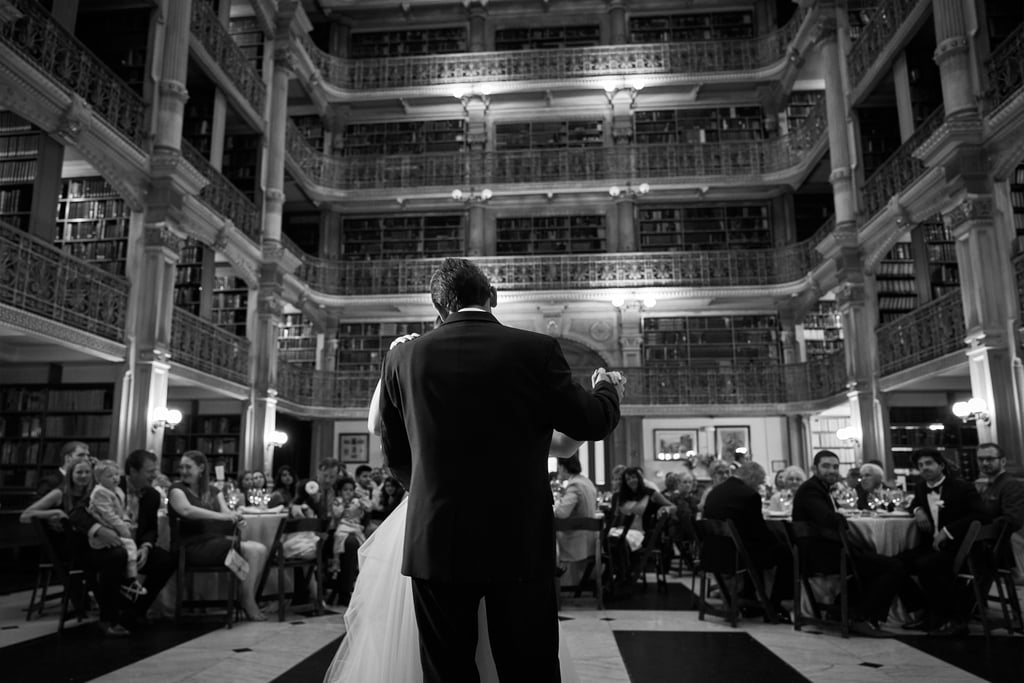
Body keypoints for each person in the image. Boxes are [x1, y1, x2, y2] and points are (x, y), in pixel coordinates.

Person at [377, 257, 622, 682]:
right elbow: (592, 422)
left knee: (446, 669)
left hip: (436, 538)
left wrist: (429, 490)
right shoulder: (536, 350)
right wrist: (606, 389)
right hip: (518, 539)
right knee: (529, 668)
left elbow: (395, 450)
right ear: (493, 297)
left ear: (439, 309)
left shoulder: (404, 358)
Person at [792, 450, 918, 638]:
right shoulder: (811, 489)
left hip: (825, 551)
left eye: (835, 466)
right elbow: (828, 518)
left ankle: (841, 611)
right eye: (826, 466)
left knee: (882, 562)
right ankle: (864, 619)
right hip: (823, 556)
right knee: (893, 565)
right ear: (814, 468)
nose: (832, 470)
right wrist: (844, 519)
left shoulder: (820, 488)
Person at [167, 450, 268, 621]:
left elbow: (226, 513)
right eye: (181, 467)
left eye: (188, 467)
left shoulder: (214, 491)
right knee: (252, 551)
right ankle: (247, 601)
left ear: (201, 468)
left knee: (261, 549)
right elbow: (187, 510)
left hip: (215, 543)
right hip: (190, 547)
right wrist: (223, 517)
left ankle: (246, 596)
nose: (183, 471)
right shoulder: (176, 490)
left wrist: (235, 519)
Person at [900, 448, 985, 636]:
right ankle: (925, 611)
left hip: (959, 548)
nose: (924, 468)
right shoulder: (922, 487)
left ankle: (954, 619)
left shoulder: (962, 487)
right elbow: (914, 504)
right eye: (920, 465)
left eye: (929, 463)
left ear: (941, 465)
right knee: (897, 563)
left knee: (926, 566)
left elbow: (981, 514)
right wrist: (917, 510)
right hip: (932, 547)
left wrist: (948, 531)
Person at [701, 461, 792, 621]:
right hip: (736, 557)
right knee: (785, 552)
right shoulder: (749, 495)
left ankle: (750, 601)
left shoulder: (715, 492)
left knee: (755, 548)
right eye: (758, 482)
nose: (759, 486)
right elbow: (759, 533)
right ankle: (774, 604)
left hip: (713, 553)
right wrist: (778, 539)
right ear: (751, 477)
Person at [607, 467, 675, 593]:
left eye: (634, 477)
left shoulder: (650, 494)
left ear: (639, 478)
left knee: (619, 541)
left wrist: (664, 509)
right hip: (619, 530)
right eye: (628, 479)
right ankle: (612, 575)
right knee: (607, 540)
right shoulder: (619, 496)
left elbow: (672, 506)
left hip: (640, 532)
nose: (631, 480)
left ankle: (623, 577)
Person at [87, 460, 146, 601]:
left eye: (116, 475)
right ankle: (130, 579)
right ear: (98, 478)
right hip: (103, 534)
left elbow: (122, 511)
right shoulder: (100, 492)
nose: (115, 478)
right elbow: (109, 515)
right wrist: (123, 528)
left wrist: (126, 521)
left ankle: (126, 581)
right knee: (130, 546)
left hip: (115, 527)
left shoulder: (117, 490)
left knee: (131, 544)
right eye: (109, 476)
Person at [553, 454, 598, 586]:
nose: (558, 471)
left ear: (563, 468)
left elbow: (561, 513)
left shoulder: (575, 485)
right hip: (590, 536)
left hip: (578, 538)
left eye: (559, 467)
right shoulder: (586, 481)